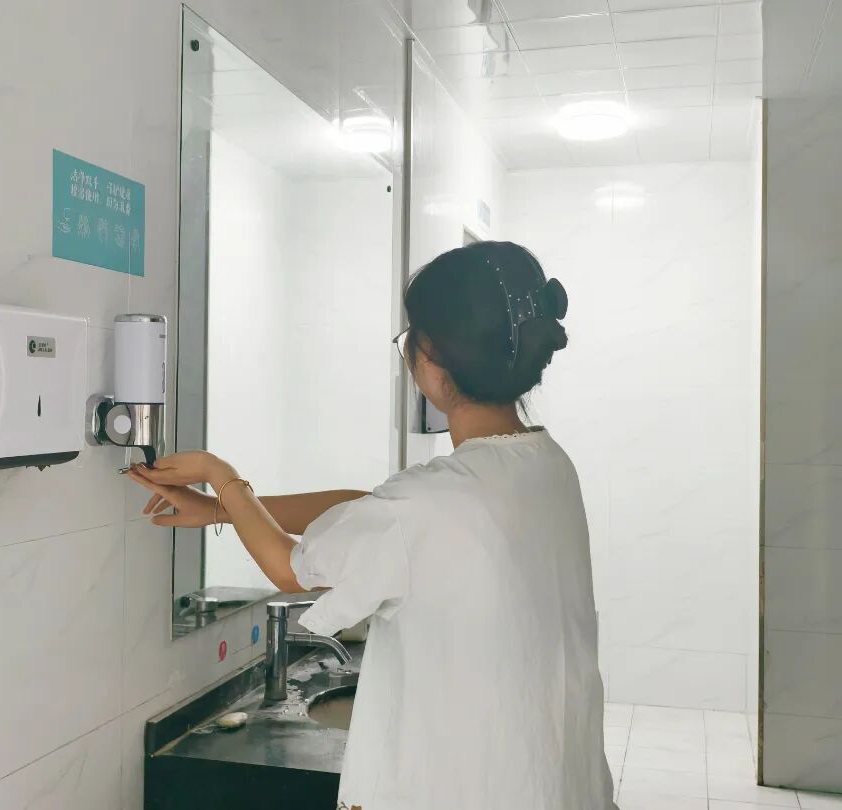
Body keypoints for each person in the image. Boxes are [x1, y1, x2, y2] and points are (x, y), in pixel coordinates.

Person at [128, 241, 617, 809]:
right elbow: (373, 510)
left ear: (430, 358)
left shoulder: (427, 503)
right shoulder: (544, 464)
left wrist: (221, 475)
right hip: (553, 780)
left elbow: (291, 568)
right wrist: (220, 510)